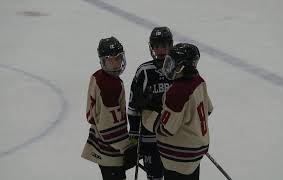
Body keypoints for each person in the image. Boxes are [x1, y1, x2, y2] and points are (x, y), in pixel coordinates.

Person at [144, 43, 214, 180]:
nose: (168, 67)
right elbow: (208, 110)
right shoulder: (198, 81)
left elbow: (165, 129)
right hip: (195, 154)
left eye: (172, 63)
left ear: (183, 67)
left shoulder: (177, 92)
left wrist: (147, 114)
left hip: (179, 159)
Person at [82, 36, 136, 180]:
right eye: (111, 60)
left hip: (99, 143)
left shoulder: (97, 76)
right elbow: (109, 127)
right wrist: (127, 147)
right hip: (110, 151)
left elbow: (92, 116)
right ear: (103, 61)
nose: (116, 63)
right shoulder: (111, 86)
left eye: (118, 58)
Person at [127, 26, 174, 180]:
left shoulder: (178, 70)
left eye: (164, 45)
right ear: (152, 47)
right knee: (154, 176)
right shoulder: (144, 71)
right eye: (157, 46)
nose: (161, 50)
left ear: (170, 46)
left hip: (173, 137)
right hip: (149, 138)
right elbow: (133, 107)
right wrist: (134, 137)